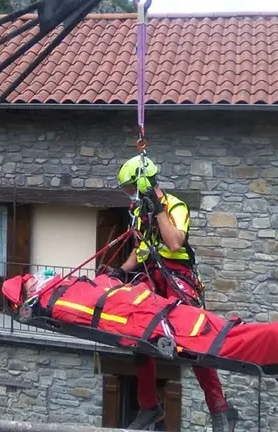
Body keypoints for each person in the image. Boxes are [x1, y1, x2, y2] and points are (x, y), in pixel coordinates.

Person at [106, 155, 240, 431]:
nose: (129, 194)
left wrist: (158, 209)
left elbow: (175, 243)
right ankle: (149, 407)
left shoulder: (175, 206)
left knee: (193, 340)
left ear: (143, 184)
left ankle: (220, 410)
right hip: (152, 276)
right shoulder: (141, 214)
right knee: (137, 333)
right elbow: (141, 248)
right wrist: (121, 271)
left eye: (131, 188)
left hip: (178, 277)